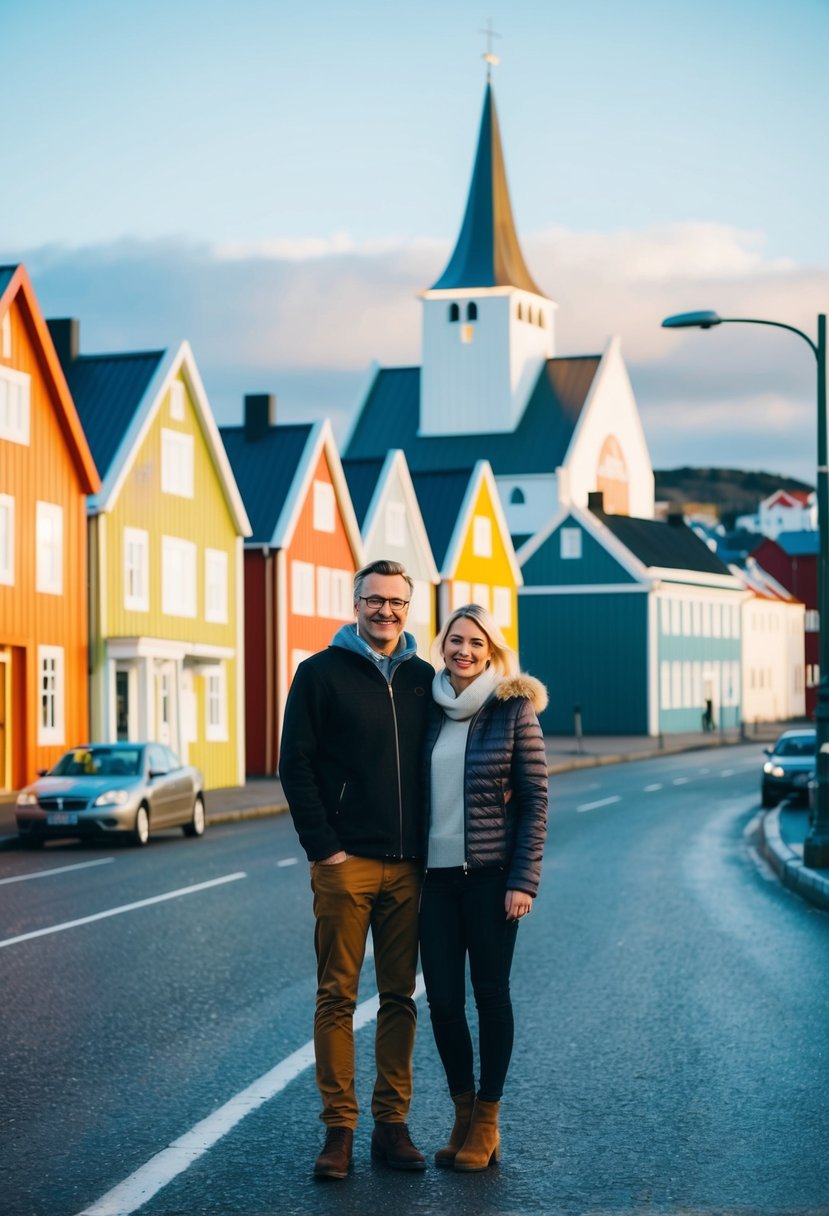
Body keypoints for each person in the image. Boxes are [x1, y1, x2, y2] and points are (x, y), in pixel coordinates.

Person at [279, 559, 433, 1180]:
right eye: (374, 600)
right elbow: (296, 765)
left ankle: (391, 1127)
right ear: (356, 602)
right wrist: (325, 849)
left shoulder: (427, 679)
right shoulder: (318, 674)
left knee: (400, 997)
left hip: (410, 869)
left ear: (408, 608)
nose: (385, 611)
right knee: (336, 997)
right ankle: (338, 1131)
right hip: (346, 865)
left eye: (396, 602)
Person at [419, 603, 548, 1171]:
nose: (463, 651)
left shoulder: (513, 710)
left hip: (492, 880)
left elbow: (536, 800)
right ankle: (462, 1112)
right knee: (444, 1003)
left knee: (490, 996)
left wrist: (523, 881)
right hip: (436, 882)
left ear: (492, 650)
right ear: (441, 645)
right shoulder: (429, 708)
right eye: (454, 641)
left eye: (475, 642)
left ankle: (488, 1119)